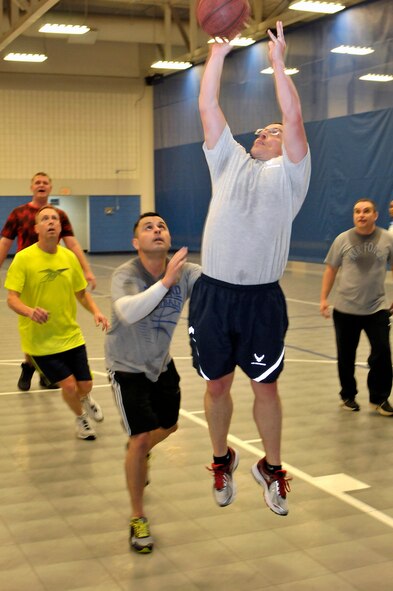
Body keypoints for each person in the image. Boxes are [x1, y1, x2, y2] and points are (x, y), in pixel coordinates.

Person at [188, 21, 311, 517]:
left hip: (262, 298)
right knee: (216, 384)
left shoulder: (292, 175)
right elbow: (207, 107)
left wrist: (278, 64)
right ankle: (222, 458)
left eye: (272, 131)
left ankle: (273, 469)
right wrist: (216, 54)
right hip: (215, 294)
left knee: (267, 386)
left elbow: (295, 118)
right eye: (260, 130)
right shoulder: (229, 161)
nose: (264, 132)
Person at [105, 212, 200, 554]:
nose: (157, 230)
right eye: (148, 227)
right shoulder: (126, 274)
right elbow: (129, 311)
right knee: (141, 436)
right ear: (136, 243)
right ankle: (137, 517)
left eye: (162, 225)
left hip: (161, 365)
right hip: (126, 367)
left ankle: (137, 452)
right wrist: (165, 282)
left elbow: (218, 287)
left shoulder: (186, 272)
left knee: (170, 426)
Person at [5, 205, 109, 440]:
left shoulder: (69, 257)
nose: (51, 221)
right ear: (37, 228)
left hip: (70, 334)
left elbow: (81, 292)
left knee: (86, 385)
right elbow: (12, 299)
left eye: (55, 218)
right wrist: (30, 311)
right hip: (40, 339)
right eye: (45, 219)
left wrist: (96, 311)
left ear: (60, 228)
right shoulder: (23, 259)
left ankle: (86, 398)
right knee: (69, 386)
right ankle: (81, 418)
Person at [0, 172, 96, 391]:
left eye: (45, 182)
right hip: (29, 277)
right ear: (31, 187)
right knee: (32, 323)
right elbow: (5, 243)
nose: (41, 185)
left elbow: (72, 244)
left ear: (50, 187)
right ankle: (28, 366)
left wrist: (87, 270)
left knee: (51, 324)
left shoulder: (59, 214)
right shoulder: (19, 213)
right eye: (37, 182)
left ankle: (46, 372)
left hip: (54, 274)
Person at [320, 198, 393, 416]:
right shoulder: (343, 239)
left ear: (375, 215)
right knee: (346, 356)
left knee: (382, 353)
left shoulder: (387, 239)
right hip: (345, 310)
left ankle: (379, 399)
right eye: (357, 211)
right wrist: (323, 298)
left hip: (377, 308)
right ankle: (348, 396)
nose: (361, 215)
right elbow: (331, 269)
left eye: (366, 211)